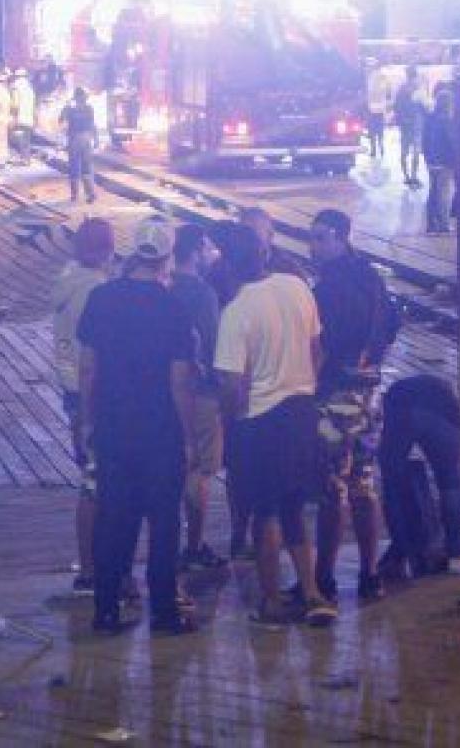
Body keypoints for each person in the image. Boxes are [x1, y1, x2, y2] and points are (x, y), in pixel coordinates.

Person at [78, 219, 198, 636]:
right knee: (164, 523)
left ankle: (106, 609)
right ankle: (163, 610)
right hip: (160, 431)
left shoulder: (101, 298)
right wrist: (188, 437)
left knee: (114, 518)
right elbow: (179, 381)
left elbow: (88, 367)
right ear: (167, 257)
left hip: (113, 427)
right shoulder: (174, 308)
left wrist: (87, 421)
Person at [214, 224, 337, 627]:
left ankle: (271, 601)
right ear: (263, 254)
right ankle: (312, 592)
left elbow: (232, 384)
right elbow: (318, 350)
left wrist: (232, 422)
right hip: (301, 412)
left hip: (260, 419)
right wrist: (302, 382)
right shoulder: (296, 287)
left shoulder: (236, 312)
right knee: (294, 508)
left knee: (264, 513)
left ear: (227, 264)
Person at [309, 209, 398, 603]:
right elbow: (393, 324)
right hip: (368, 394)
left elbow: (322, 344)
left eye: (320, 237)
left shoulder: (328, 288)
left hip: (336, 396)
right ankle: (369, 573)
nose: (313, 246)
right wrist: (371, 359)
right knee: (363, 483)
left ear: (340, 237)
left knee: (332, 488)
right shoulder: (371, 276)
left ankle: (323, 576)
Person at [52, 217, 116, 596]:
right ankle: (96, 569)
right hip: (95, 395)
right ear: (107, 249)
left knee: (91, 480)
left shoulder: (67, 281)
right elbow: (98, 355)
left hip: (73, 391)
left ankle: (90, 567)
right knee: (99, 484)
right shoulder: (97, 291)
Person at [378, 374, 460, 577]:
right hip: (440, 407)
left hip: (399, 403)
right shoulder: (450, 402)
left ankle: (400, 556)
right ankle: (456, 556)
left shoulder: (392, 387)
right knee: (451, 483)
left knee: (392, 483)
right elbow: (457, 452)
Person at [170, 225, 227, 571]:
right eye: (207, 249)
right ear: (195, 252)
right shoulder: (202, 293)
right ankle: (194, 545)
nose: (212, 255)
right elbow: (214, 343)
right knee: (199, 471)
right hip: (201, 392)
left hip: (167, 392)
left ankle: (167, 540)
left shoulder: (165, 287)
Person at [422, 88, 457, 235]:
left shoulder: (430, 118)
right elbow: (452, 142)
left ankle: (431, 224)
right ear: (448, 104)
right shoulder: (447, 120)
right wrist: (457, 159)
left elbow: (424, 140)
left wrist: (427, 158)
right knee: (444, 194)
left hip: (432, 161)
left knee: (433, 192)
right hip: (444, 162)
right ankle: (444, 225)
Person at [59, 88, 98, 204]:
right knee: (87, 168)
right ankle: (90, 194)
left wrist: (65, 107)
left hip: (74, 139)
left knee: (74, 167)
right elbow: (92, 124)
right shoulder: (89, 108)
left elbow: (61, 120)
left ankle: (74, 195)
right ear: (85, 98)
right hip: (86, 139)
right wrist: (96, 139)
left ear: (75, 98)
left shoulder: (70, 109)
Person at [393, 65, 427, 188]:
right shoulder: (418, 89)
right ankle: (413, 176)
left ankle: (407, 176)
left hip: (406, 125)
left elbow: (396, 107)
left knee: (405, 151)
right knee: (415, 152)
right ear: (415, 75)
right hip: (416, 124)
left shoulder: (401, 89)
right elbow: (424, 106)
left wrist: (401, 119)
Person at [364, 59, 390, 160]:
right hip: (380, 108)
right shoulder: (383, 76)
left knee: (372, 131)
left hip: (371, 108)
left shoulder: (370, 77)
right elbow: (387, 90)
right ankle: (381, 147)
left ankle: (374, 150)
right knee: (380, 130)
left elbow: (368, 91)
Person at [10, 68, 36, 164]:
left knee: (18, 138)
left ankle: (22, 158)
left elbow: (15, 104)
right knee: (26, 139)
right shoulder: (29, 88)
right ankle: (26, 158)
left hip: (19, 117)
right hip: (29, 118)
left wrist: (13, 116)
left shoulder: (16, 87)